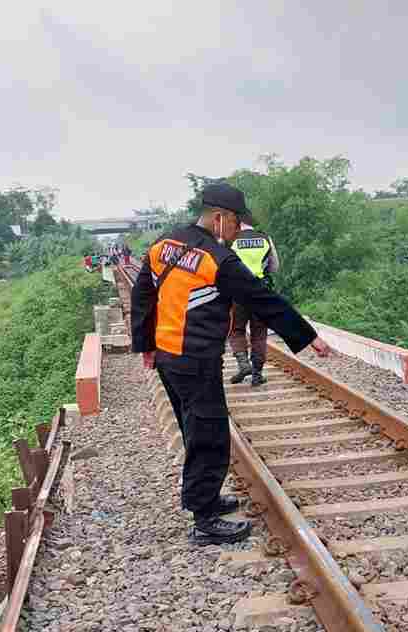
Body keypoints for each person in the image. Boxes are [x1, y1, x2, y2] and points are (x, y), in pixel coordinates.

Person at [130, 182, 330, 546]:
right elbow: (263, 297)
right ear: (220, 218)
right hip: (196, 358)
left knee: (193, 427)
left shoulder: (164, 243)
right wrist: (308, 336)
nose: (238, 231)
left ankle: (205, 499)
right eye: (237, 223)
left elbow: (142, 293)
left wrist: (145, 344)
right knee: (209, 433)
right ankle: (204, 518)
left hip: (168, 357)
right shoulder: (217, 260)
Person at [228, 223, 280, 386]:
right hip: (260, 291)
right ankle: (257, 374)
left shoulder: (232, 239)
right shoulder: (265, 238)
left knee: (236, 329)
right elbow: (274, 267)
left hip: (238, 292)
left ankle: (244, 364)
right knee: (259, 333)